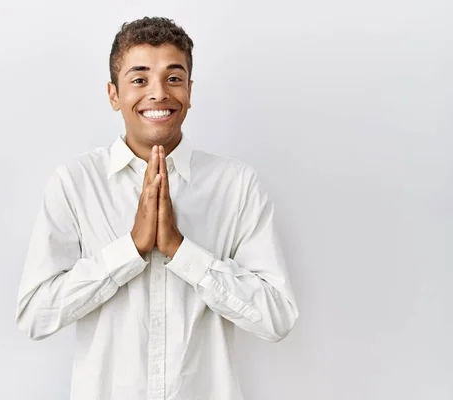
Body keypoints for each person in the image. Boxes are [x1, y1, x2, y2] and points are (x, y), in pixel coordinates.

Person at [15, 16, 299, 400]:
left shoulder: (236, 185)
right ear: (114, 94)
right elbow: (35, 314)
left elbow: (277, 317)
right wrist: (129, 249)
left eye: (173, 78)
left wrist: (182, 251)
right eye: (139, 79)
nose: (158, 93)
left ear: (190, 91)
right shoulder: (75, 183)